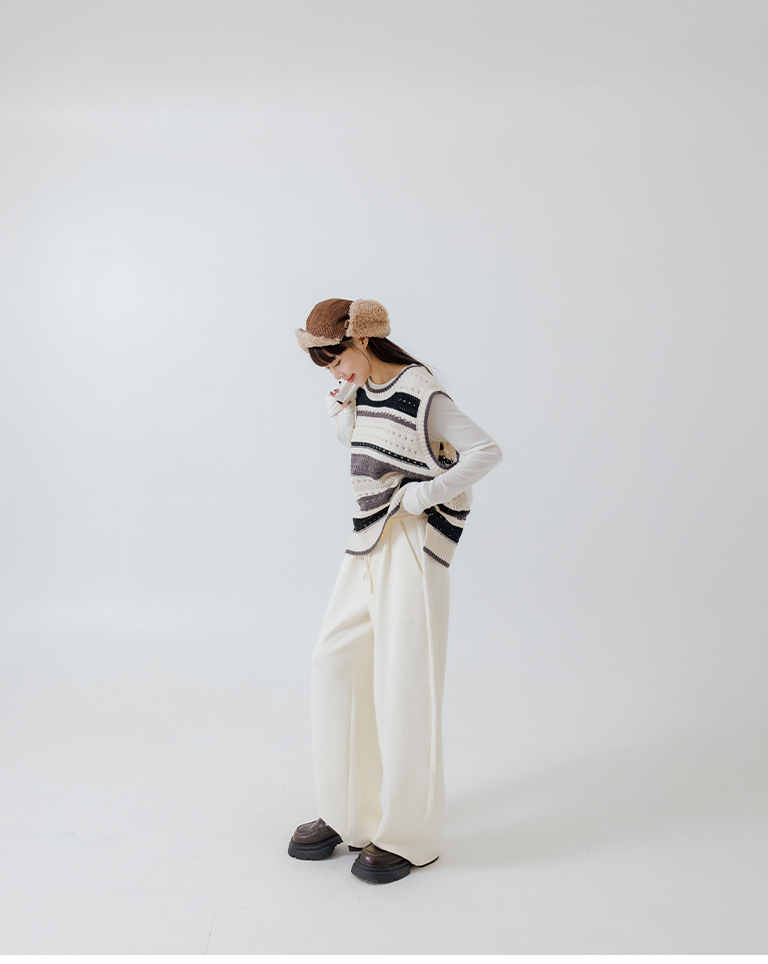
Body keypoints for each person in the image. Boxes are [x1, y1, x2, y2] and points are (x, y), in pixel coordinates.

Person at [289, 298, 503, 884]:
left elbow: (486, 451)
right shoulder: (362, 390)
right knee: (334, 660)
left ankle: (408, 835)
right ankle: (346, 813)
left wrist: (421, 496)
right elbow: (358, 446)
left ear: (362, 340)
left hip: (411, 542)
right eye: (326, 364)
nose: (335, 370)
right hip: (368, 538)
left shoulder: (420, 389)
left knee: (404, 682)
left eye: (337, 358)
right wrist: (342, 402)